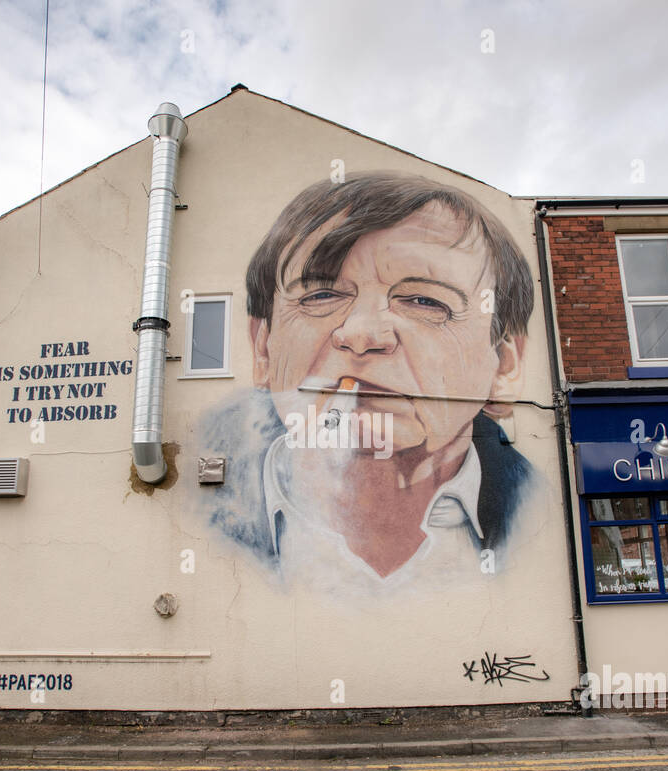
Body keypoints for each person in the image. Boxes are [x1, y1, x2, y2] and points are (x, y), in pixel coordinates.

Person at [199, 171, 540, 590]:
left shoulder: (538, 510)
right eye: (320, 295)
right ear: (264, 349)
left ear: (504, 367)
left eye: (424, 301)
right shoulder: (201, 514)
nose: (362, 334)